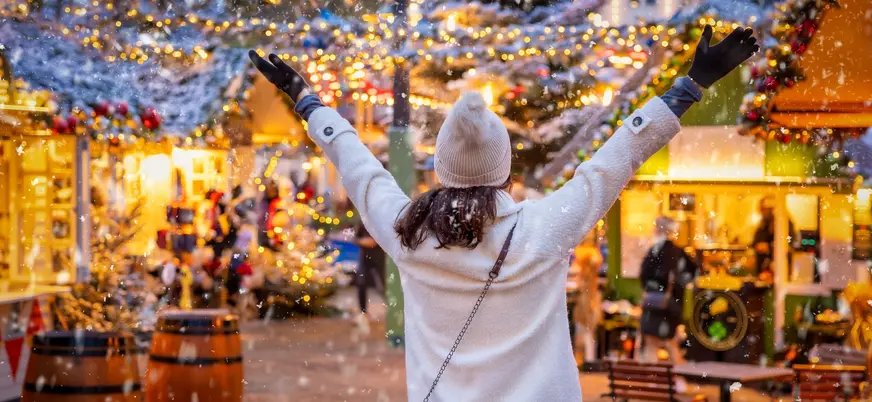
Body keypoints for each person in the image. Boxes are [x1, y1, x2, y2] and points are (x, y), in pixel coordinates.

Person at [249, 25, 757, 401]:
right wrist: (689, 86)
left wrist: (307, 100)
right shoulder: (544, 228)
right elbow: (614, 159)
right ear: (505, 171)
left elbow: (359, 168)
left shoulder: (408, 236)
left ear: (442, 170)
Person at [639, 216, 697, 364]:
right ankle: (677, 379)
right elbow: (692, 274)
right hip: (672, 306)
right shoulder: (679, 252)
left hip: (654, 304)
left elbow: (644, 275)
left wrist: (653, 287)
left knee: (652, 342)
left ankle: (651, 379)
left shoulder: (655, 251)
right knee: (670, 342)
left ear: (659, 230)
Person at [752, 196, 795, 278]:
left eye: (764, 209)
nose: (761, 211)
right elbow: (755, 242)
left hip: (780, 269)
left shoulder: (785, 224)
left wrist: (769, 247)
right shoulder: (762, 225)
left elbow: (789, 243)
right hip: (763, 269)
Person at [355, 219, 386, 330]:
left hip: (380, 258)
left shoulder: (381, 220)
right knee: (361, 283)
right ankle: (363, 312)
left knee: (384, 285)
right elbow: (355, 239)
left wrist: (375, 241)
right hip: (365, 258)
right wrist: (364, 241)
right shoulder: (362, 221)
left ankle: (394, 310)